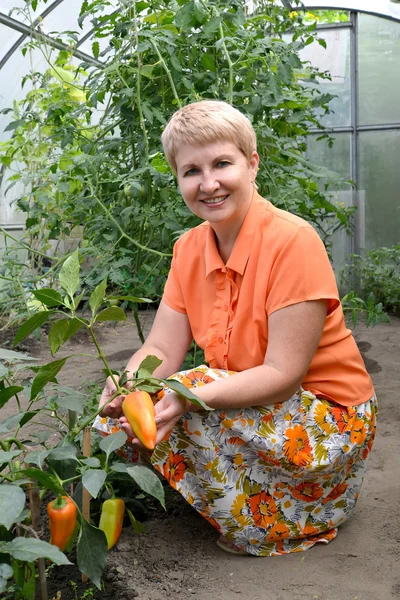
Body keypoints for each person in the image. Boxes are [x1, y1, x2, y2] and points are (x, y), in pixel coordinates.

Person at [99, 100, 377, 556]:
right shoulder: (188, 249)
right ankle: (256, 499)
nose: (208, 183)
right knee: (135, 397)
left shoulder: (292, 241)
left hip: (329, 421)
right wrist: (128, 383)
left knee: (190, 390)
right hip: (267, 410)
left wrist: (188, 396)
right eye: (191, 171)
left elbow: (283, 375)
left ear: (251, 165)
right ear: (177, 179)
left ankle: (308, 508)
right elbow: (161, 349)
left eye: (222, 164)